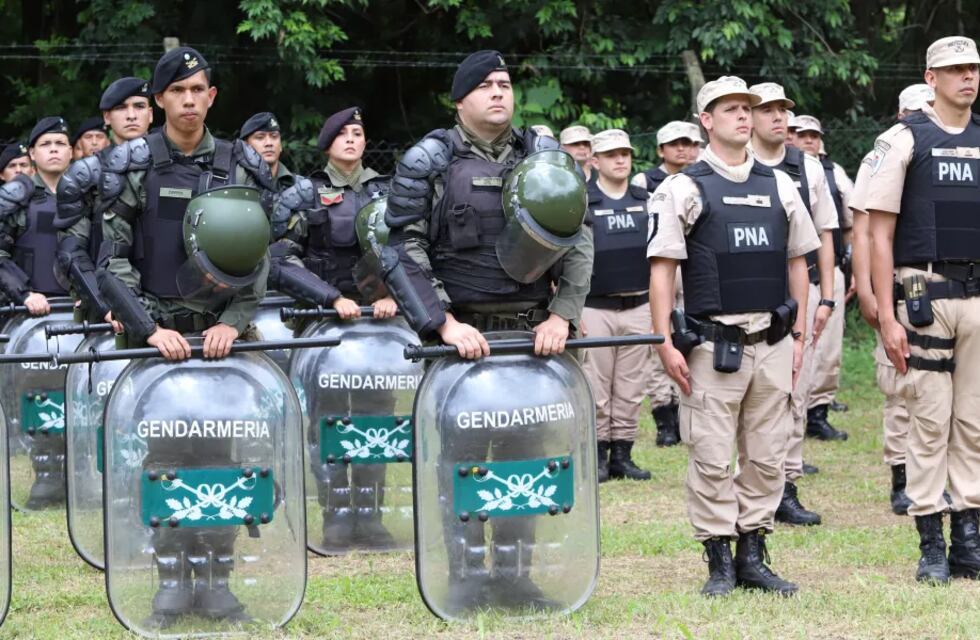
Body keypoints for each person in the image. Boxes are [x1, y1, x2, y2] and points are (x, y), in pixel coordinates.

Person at [383, 49, 593, 613]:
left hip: (532, 339)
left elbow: (578, 235)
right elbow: (401, 247)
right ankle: (469, 576)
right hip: (461, 344)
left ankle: (517, 576)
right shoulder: (429, 160)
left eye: (505, 83)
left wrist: (562, 315)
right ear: (460, 101)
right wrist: (443, 324)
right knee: (463, 463)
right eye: (485, 85)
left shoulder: (542, 154)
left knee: (524, 464)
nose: (499, 92)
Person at [96, 46, 276, 626]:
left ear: (212, 97)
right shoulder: (132, 165)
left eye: (199, 90)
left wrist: (232, 320)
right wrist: (148, 331)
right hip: (158, 346)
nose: (190, 100)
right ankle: (171, 580)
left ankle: (218, 580)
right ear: (160, 101)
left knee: (221, 457)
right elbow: (112, 259)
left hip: (223, 340)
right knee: (166, 459)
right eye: (178, 91)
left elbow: (260, 256)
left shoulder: (240, 164)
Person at [648, 76, 818, 597]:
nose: (744, 117)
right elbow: (662, 270)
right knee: (712, 455)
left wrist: (800, 339)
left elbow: (798, 263)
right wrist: (663, 342)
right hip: (712, 345)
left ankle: (753, 555)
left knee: (768, 456)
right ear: (707, 119)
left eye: (748, 108)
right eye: (731, 109)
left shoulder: (780, 183)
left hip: (772, 341)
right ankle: (718, 560)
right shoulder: (682, 187)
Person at [867, 36, 980, 584]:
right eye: (955, 70)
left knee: (975, 423)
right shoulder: (904, 139)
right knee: (930, 421)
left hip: (977, 300)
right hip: (924, 297)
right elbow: (879, 231)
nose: (967, 78)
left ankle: (968, 537)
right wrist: (886, 313)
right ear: (930, 78)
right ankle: (930, 540)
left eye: (973, 68)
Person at [268, 106, 399, 550]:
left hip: (379, 331)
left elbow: (412, 251)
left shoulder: (390, 192)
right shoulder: (303, 194)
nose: (351, 140)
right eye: (342, 133)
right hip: (323, 328)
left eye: (358, 133)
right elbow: (281, 261)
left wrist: (392, 298)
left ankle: (371, 515)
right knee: (328, 423)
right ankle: (337, 515)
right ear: (327, 144)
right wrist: (331, 299)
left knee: (374, 423)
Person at [748, 82, 840, 527]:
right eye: (767, 110)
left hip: (801, 295)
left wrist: (826, 297)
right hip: (748, 295)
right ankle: (752, 487)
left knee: (796, 392)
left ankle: (787, 486)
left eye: (783, 109)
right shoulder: (735, 165)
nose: (777, 118)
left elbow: (825, 233)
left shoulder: (807, 166)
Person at [852, 83, 934, 516]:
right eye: (915, 111)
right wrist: (867, 291)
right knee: (900, 383)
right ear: (901, 115)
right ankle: (900, 478)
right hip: (900, 286)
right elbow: (865, 229)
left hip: (943, 286)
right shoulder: (884, 155)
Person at [0, 117, 74, 509]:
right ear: (32, 154)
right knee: (42, 402)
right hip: (33, 318)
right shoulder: (18, 199)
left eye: (62, 142)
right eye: (46, 143)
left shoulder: (86, 197)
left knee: (79, 399)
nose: (54, 149)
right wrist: (23, 291)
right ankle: (46, 479)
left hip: (81, 317)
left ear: (73, 151)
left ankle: (80, 482)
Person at [581, 128, 652, 482]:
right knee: (596, 386)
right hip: (594, 307)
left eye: (625, 153)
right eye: (611, 155)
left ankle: (623, 456)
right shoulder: (583, 201)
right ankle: (597, 457)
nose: (621, 159)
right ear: (595, 161)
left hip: (639, 305)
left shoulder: (647, 199)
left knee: (631, 387)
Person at [56, 76, 153, 322]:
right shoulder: (83, 176)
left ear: (151, 114)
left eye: (139, 106)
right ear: (107, 118)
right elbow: (71, 253)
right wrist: (106, 306)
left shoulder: (177, 168)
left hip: (170, 302)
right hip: (107, 311)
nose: (131, 115)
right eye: (121, 108)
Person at [631, 120, 702, 446]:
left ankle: (691, 408)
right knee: (662, 337)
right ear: (661, 149)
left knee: (694, 336)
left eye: (689, 142)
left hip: (696, 269)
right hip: (662, 266)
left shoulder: (703, 178)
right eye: (675, 143)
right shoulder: (645, 180)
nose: (683, 149)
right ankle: (664, 417)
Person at [793, 114, 855, 428]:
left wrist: (855, 265)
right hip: (792, 276)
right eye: (801, 134)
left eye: (813, 135)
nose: (808, 140)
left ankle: (819, 411)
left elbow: (850, 224)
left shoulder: (833, 173)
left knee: (829, 346)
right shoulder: (773, 173)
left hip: (829, 270)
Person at [632, 121, 702, 194]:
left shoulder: (701, 178)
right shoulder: (644, 181)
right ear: (660, 151)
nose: (681, 148)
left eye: (685, 143)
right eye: (673, 144)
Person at [240, 111, 294, 190]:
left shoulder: (299, 187)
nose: (269, 143)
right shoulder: (233, 182)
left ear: (281, 145)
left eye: (274, 136)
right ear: (245, 146)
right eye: (260, 137)